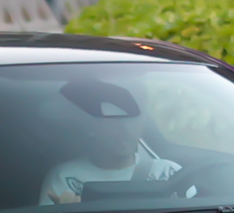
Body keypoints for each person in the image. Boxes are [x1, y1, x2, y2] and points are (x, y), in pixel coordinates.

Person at [40, 78, 180, 205]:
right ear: (92, 127)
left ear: (143, 124)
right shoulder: (65, 177)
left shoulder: (169, 172)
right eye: (114, 122)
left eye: (132, 120)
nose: (125, 129)